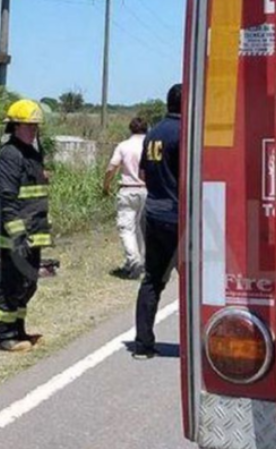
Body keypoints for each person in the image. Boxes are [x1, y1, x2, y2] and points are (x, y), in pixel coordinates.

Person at [0, 99, 52, 352]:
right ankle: (2, 336)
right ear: (15, 126)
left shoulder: (31, 153)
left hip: (34, 232)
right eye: (28, 126)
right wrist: (18, 235)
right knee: (9, 285)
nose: (33, 130)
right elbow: (7, 199)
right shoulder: (8, 156)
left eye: (35, 126)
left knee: (27, 283)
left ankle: (18, 329)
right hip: (15, 235)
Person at [133, 84, 182, 360]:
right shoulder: (183, 133)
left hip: (153, 212)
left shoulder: (152, 133)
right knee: (193, 282)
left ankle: (142, 344)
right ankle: (196, 344)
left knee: (152, 279)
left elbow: (142, 173)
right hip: (178, 215)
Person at [104, 117, 149, 280]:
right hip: (147, 190)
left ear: (130, 129)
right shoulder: (150, 145)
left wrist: (106, 185)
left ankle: (133, 259)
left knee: (126, 228)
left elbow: (112, 167)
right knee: (141, 228)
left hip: (128, 189)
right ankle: (142, 260)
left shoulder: (123, 146)